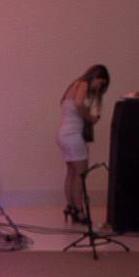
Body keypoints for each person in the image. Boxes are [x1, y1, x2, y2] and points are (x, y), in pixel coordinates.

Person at [55, 64, 109, 223]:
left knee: (71, 172)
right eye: (101, 83)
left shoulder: (74, 85)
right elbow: (79, 104)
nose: (99, 87)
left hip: (63, 134)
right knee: (80, 174)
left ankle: (70, 206)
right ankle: (79, 211)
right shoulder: (84, 84)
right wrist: (90, 117)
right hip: (73, 135)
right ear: (96, 77)